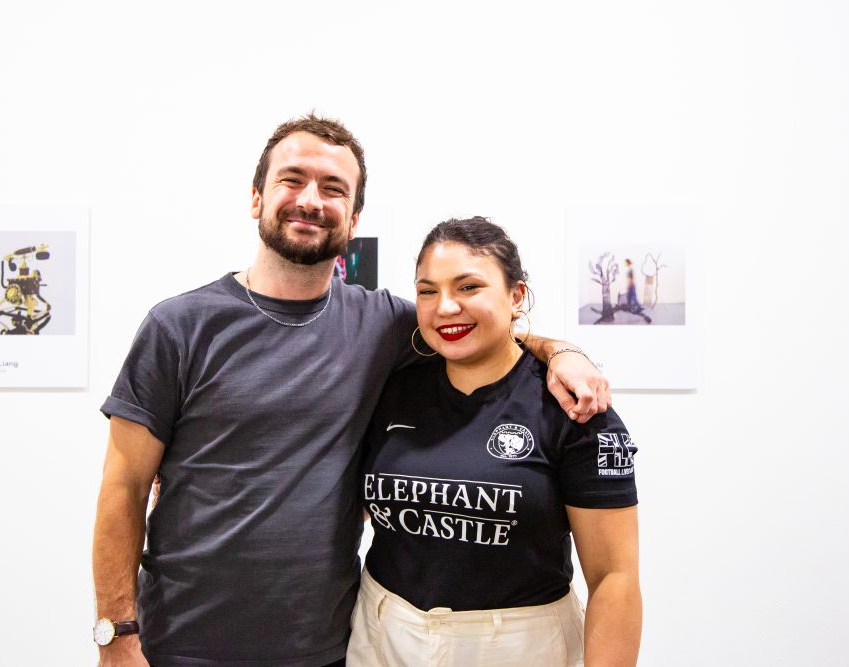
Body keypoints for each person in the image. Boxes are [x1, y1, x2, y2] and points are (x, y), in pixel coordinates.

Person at [92, 114, 612, 667]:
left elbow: (477, 328)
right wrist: (118, 635)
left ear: (353, 216)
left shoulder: (383, 325)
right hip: (178, 645)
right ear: (255, 198)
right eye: (292, 180)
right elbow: (123, 487)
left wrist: (562, 351)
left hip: (325, 649)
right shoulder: (180, 327)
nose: (311, 200)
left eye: (333, 188)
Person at [347, 217, 640, 667]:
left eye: (468, 287)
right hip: (383, 634)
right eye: (427, 291)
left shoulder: (572, 408)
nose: (445, 307)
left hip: (519, 645)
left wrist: (561, 351)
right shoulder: (391, 389)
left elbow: (613, 578)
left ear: (516, 296)